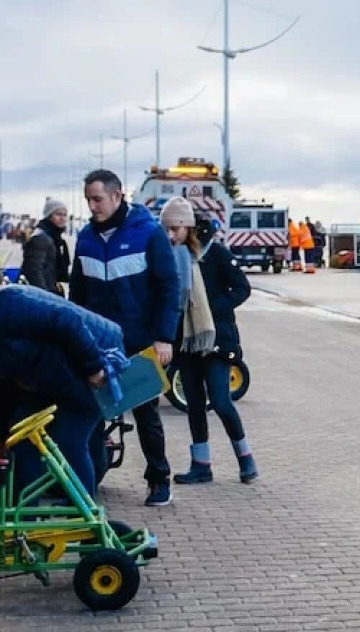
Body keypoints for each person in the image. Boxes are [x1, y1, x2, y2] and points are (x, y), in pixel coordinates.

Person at [70, 170, 180, 507]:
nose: (92, 206)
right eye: (88, 200)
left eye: (97, 199)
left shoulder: (148, 234)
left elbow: (169, 288)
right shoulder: (85, 238)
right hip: (98, 344)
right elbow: (77, 294)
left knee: (146, 413)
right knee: (90, 412)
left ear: (117, 196)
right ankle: (88, 480)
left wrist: (164, 338)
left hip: (140, 342)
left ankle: (158, 479)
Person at [160, 199, 258, 486]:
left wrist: (210, 309)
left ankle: (246, 458)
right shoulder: (170, 256)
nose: (170, 235)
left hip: (216, 339)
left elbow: (241, 288)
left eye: (175, 229)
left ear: (187, 226)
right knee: (194, 404)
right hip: (186, 340)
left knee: (220, 401)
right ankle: (201, 465)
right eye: (166, 229)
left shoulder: (214, 253)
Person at [0, 284, 123, 497]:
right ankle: (25, 509)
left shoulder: (7, 305)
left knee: (68, 440)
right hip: (52, 375)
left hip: (96, 357)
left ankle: (84, 510)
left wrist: (94, 367)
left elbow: (66, 319)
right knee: (21, 436)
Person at [21, 198, 69, 295]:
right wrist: (44, 296)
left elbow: (57, 271)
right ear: (49, 216)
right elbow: (34, 271)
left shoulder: (56, 238)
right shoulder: (41, 238)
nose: (62, 218)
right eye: (58, 214)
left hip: (51, 289)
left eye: (64, 215)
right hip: (45, 293)